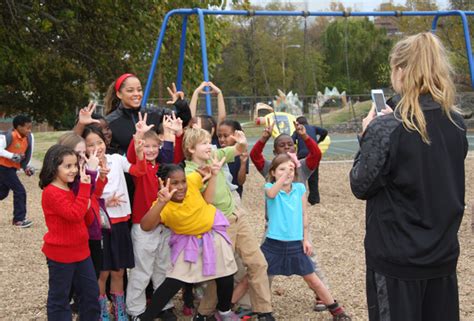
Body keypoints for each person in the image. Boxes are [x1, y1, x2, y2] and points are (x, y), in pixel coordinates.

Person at [349, 32, 468, 321]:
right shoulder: (456, 122)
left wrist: (367, 135)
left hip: (397, 260)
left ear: (401, 71)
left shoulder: (387, 128)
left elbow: (360, 183)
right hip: (441, 255)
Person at [183, 128, 275, 321]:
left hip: (237, 216)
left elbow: (238, 149)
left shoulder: (213, 155)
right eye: (204, 143)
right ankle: (204, 313)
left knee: (258, 263)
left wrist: (241, 141)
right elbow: (204, 202)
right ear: (191, 149)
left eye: (210, 141)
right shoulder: (189, 172)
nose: (210, 146)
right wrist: (211, 175)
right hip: (218, 224)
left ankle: (264, 311)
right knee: (222, 271)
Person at [138, 162, 238, 321]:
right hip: (188, 241)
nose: (181, 186)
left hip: (212, 234)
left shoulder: (191, 181)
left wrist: (209, 171)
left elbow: (201, 174)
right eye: (175, 182)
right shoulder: (163, 205)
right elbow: (145, 226)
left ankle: (224, 311)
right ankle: (146, 317)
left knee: (226, 274)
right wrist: (162, 202)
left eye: (182, 181)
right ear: (163, 183)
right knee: (174, 281)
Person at [262, 154, 351, 321]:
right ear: (273, 172)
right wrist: (283, 176)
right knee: (256, 276)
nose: (287, 173)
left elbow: (304, 214)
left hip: (295, 243)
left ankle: (336, 310)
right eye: (281, 169)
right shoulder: (269, 187)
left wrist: (306, 239)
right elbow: (273, 193)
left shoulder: (299, 189)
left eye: (290, 170)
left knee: (312, 279)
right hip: (273, 243)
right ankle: (235, 307)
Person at [82, 125, 146, 321]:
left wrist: (139, 151)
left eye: (99, 142)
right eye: (90, 144)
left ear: (105, 142)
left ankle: (119, 311)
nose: (96, 147)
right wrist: (105, 202)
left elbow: (138, 170)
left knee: (119, 271)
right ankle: (101, 312)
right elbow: (89, 197)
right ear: (83, 148)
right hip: (101, 226)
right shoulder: (86, 168)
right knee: (103, 273)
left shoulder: (117, 160)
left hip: (120, 224)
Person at [125, 113, 182, 321]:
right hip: (143, 226)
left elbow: (172, 156)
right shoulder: (139, 169)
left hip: (164, 225)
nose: (150, 150)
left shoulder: (161, 169)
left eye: (153, 147)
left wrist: (170, 134)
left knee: (162, 268)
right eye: (145, 146)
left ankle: (163, 304)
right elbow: (133, 156)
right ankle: (135, 310)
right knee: (142, 271)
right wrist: (138, 136)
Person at [39, 144, 100, 320]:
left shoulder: (71, 188)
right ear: (53, 166)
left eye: (75, 165)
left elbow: (86, 219)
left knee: (90, 294)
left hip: (82, 251)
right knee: (60, 298)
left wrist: (85, 201)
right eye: (68, 166)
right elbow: (74, 215)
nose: (74, 170)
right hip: (61, 254)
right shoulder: (51, 192)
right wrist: (84, 193)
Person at [104, 76, 191, 155]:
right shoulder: (109, 122)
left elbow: (182, 121)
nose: (136, 94)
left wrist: (181, 104)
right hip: (127, 170)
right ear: (119, 94)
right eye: (130, 90)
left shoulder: (155, 113)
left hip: (154, 170)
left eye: (139, 90)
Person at [0, 115, 34, 227]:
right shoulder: (8, 136)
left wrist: (26, 168)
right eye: (27, 128)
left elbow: (25, 156)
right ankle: (19, 219)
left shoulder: (28, 138)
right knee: (20, 190)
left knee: (3, 193)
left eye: (30, 128)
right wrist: (12, 156)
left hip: (12, 169)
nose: (29, 130)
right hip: (3, 167)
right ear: (18, 127)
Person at [291, 116, 328, 204]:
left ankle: (299, 197)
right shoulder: (313, 128)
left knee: (300, 176)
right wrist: (319, 141)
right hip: (313, 154)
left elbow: (291, 140)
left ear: (298, 123)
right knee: (314, 177)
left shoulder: (297, 131)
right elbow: (325, 132)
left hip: (302, 155)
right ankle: (314, 199)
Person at [217, 120, 249, 198]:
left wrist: (243, 164)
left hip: (233, 197)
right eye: (219, 136)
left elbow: (240, 182)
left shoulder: (242, 155)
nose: (221, 139)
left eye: (225, 136)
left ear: (236, 136)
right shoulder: (217, 152)